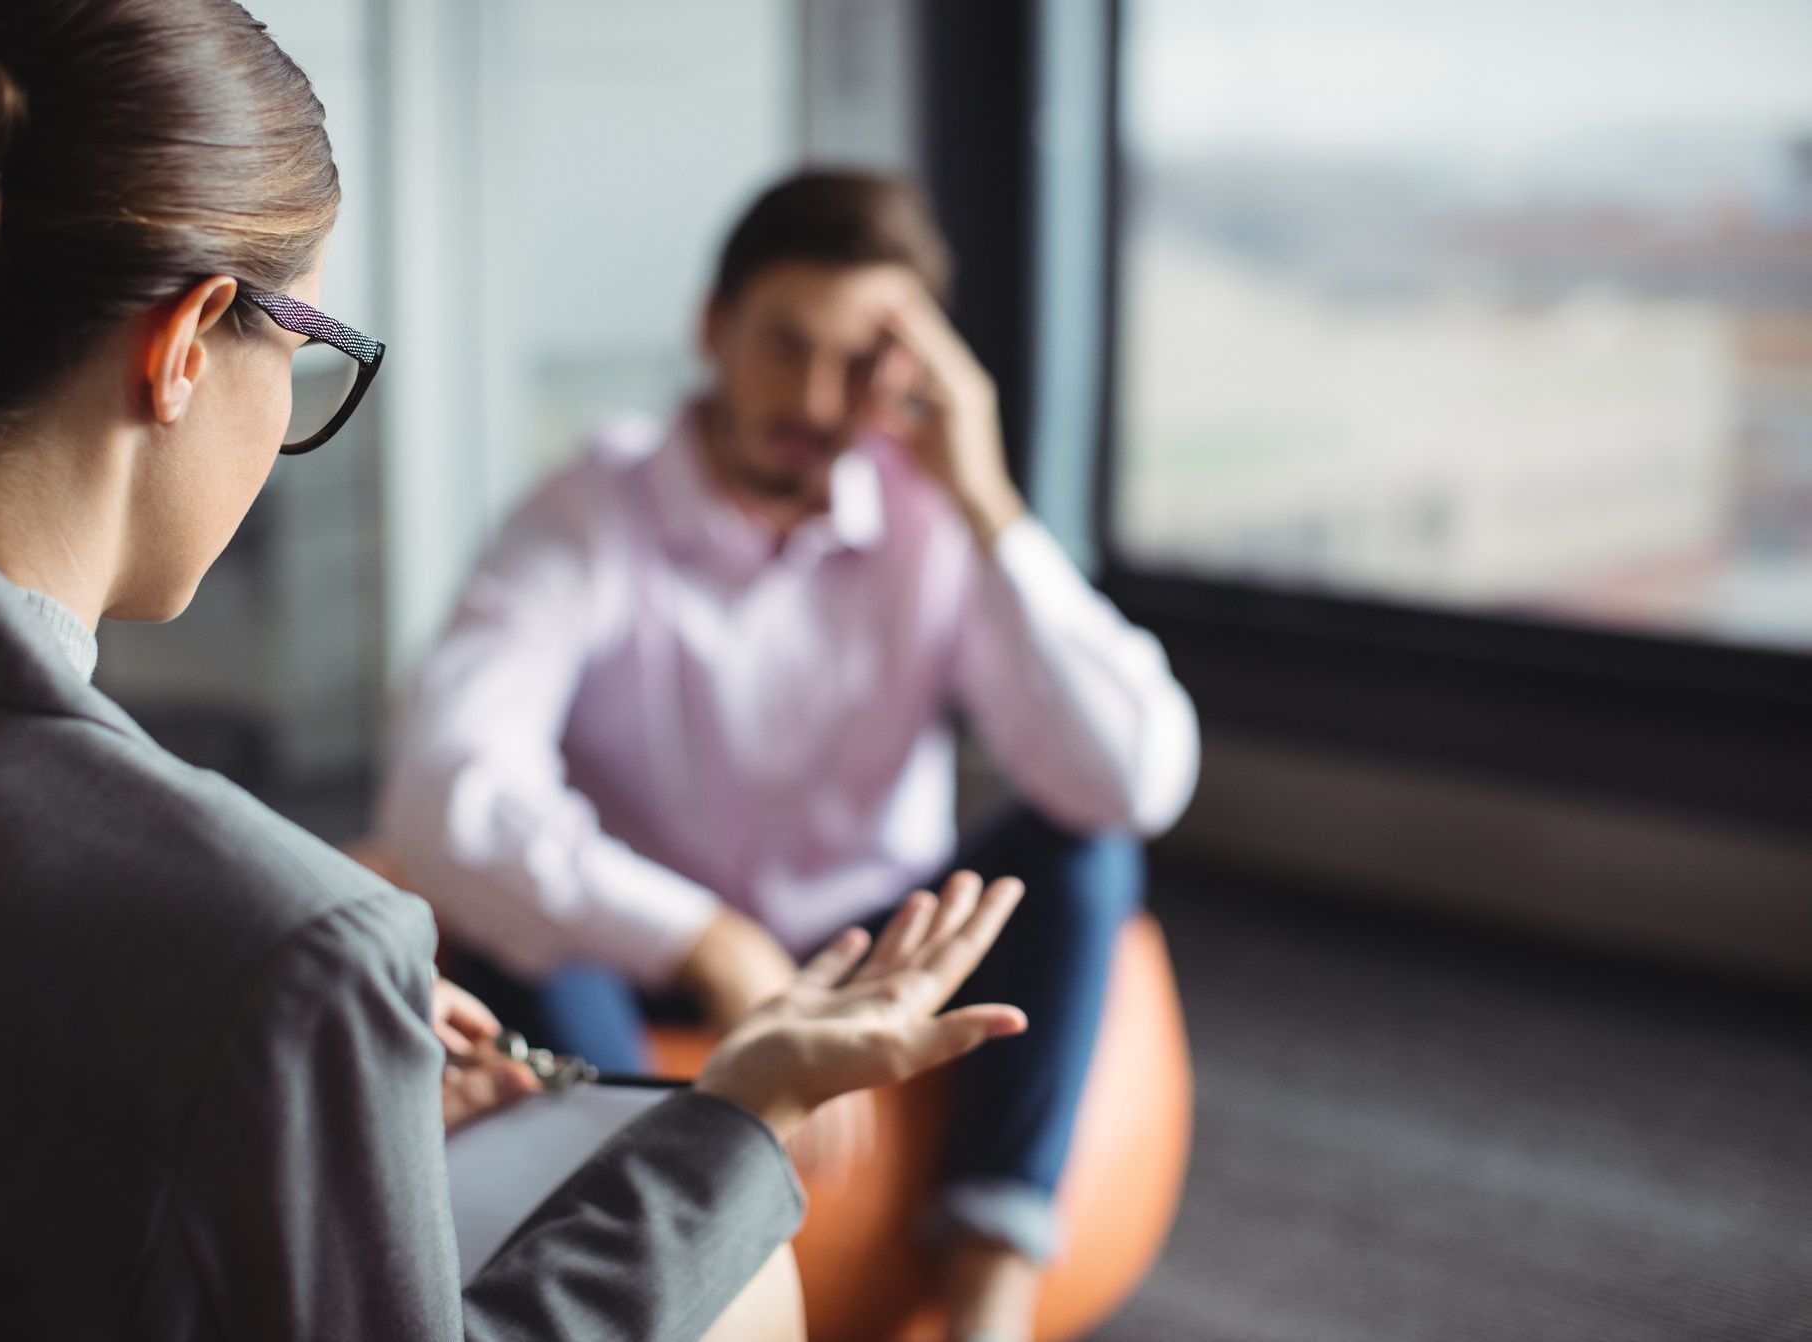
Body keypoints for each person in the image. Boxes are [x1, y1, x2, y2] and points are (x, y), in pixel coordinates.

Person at [0, 5, 1030, 1340]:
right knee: (740, 1270)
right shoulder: (283, 942)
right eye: (308, 342)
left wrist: (286, 1111)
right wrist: (745, 1112)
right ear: (187, 345)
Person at [379, 170, 1202, 1340]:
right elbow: (446, 786)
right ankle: (674, 1282)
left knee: (1086, 851)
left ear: (915, 374)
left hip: (872, 938)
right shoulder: (583, 513)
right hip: (640, 950)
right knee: (515, 926)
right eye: (784, 345)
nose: (815, 398)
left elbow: (1137, 777)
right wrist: (709, 940)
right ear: (712, 327)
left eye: (860, 362)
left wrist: (990, 501)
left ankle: (987, 1291)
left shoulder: (934, 520)